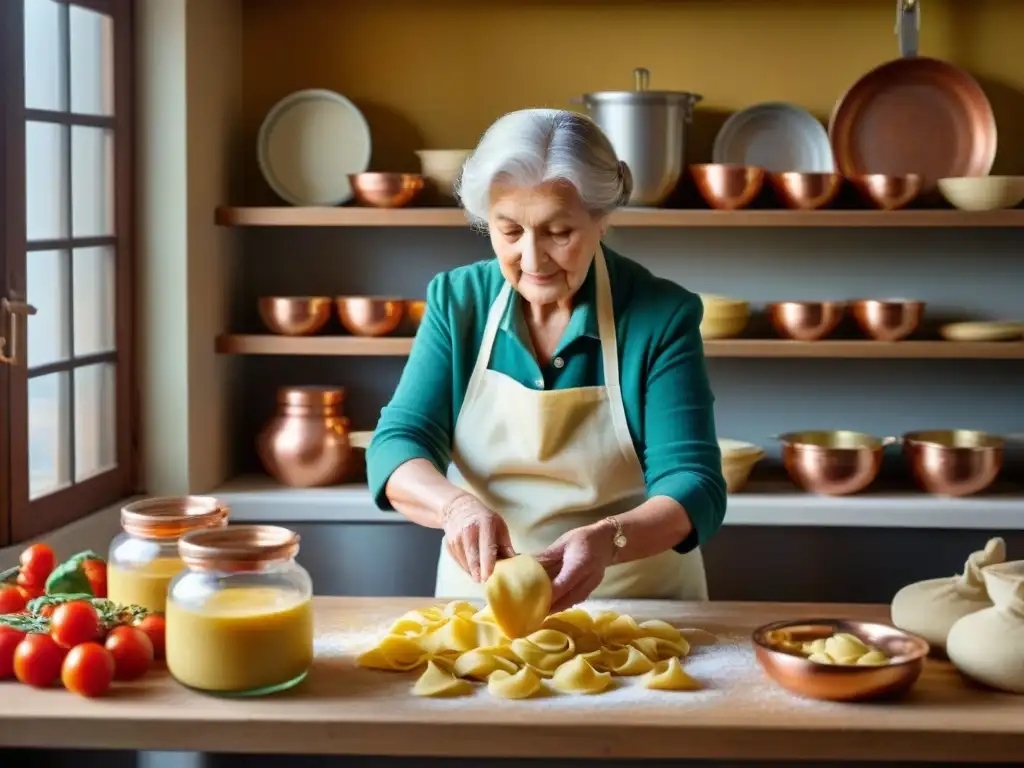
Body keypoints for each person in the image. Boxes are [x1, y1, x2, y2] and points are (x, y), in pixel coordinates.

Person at [366, 108, 726, 612]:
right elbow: (397, 444)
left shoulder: (659, 314)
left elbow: (695, 482)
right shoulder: (457, 301)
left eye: (558, 232)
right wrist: (456, 508)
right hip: (483, 604)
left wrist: (607, 540)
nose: (532, 261)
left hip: (639, 604)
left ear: (601, 220)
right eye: (509, 231)